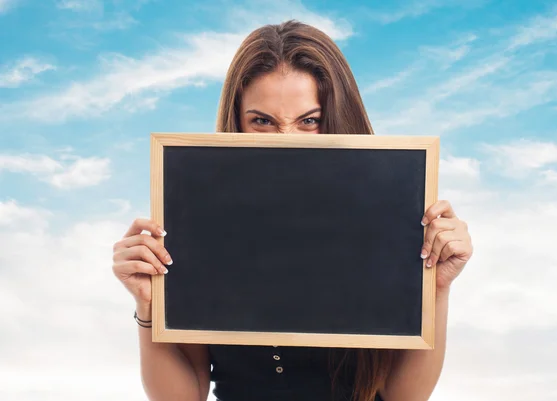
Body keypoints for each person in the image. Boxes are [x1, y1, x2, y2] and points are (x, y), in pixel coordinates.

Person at [112, 20, 473, 401]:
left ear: (335, 118)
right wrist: (148, 308)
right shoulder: (198, 223)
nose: (285, 142)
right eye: (262, 122)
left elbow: (403, 397)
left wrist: (435, 289)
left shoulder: (389, 219)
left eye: (309, 121)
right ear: (236, 122)